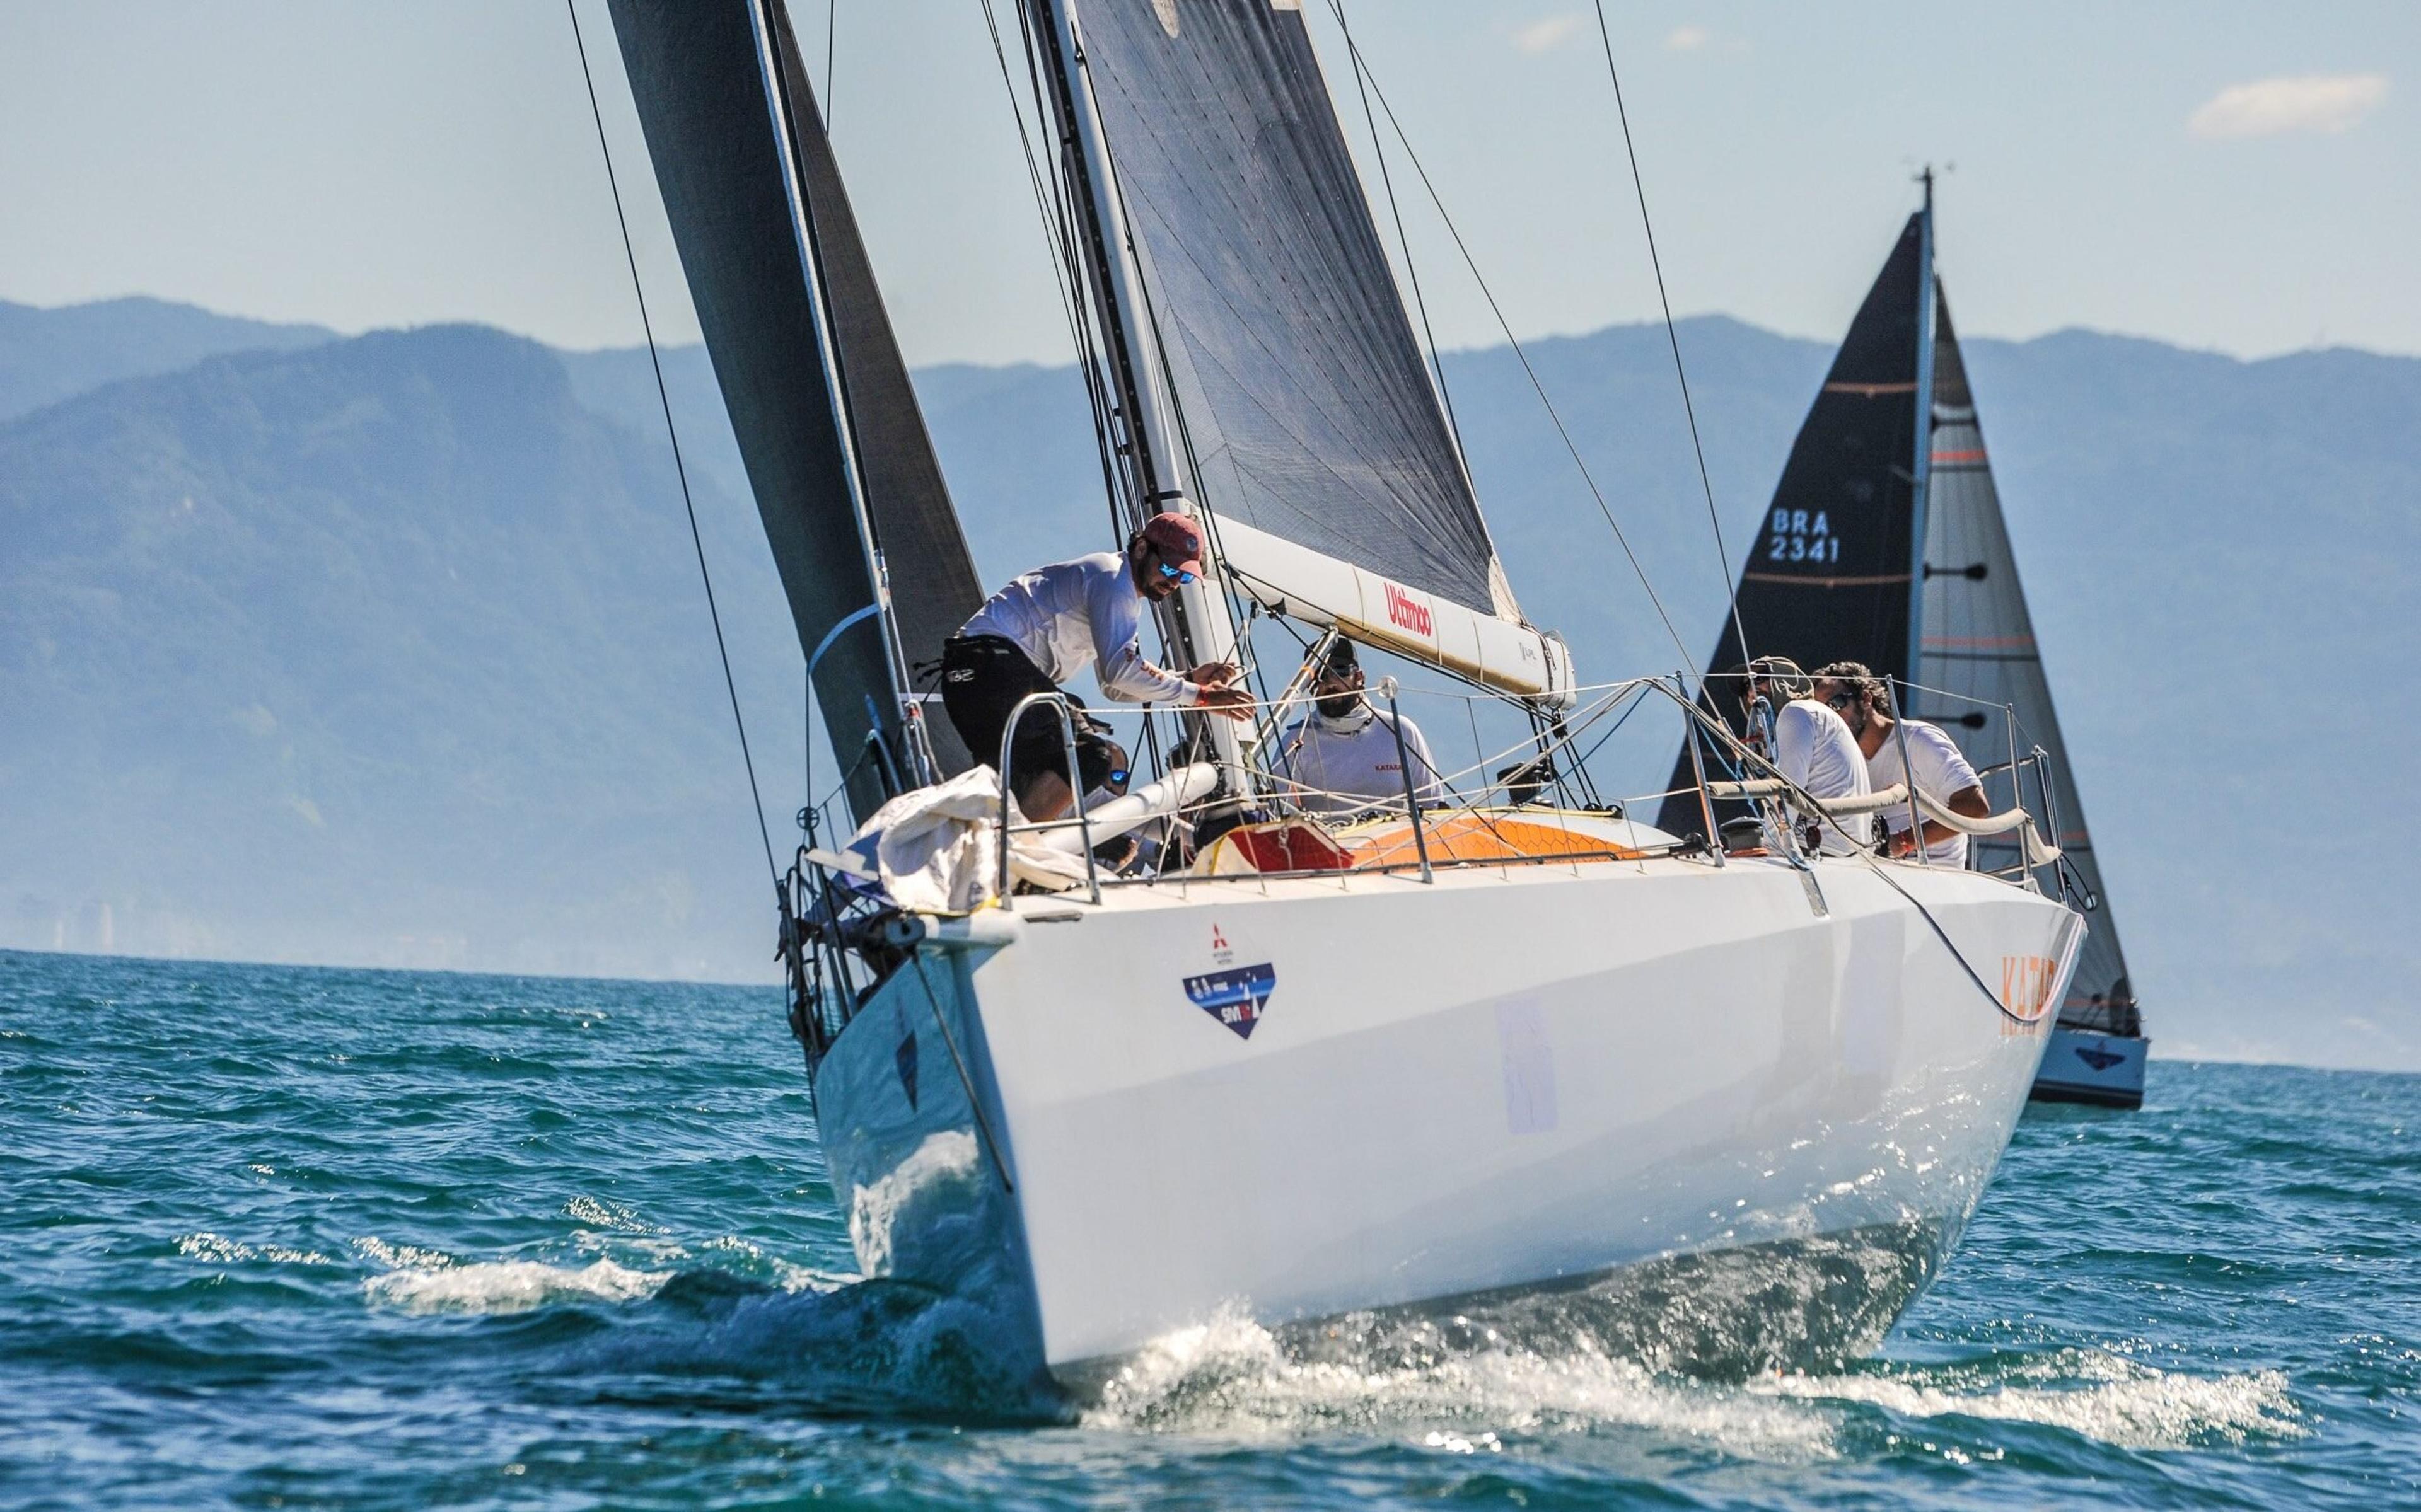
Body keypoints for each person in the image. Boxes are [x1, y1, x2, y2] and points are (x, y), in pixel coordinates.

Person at [939, 512, 1251, 820]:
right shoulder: (1113, 578)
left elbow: (1114, 686)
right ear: (1141, 548)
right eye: (1168, 568)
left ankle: (995, 849)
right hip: (993, 666)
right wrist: (1201, 696)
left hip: (973, 676)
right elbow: (1120, 670)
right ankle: (1009, 850)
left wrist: (1187, 678)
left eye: (1183, 577)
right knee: (1088, 758)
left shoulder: (1119, 594)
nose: (1172, 582)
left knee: (1019, 786)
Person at [1813, 661, 1990, 865]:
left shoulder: (1918, 741)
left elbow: (1975, 806)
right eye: (1822, 712)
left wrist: (1905, 841)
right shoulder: (1840, 758)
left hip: (1935, 874)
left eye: (1836, 704)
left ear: (1866, 699)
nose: (1831, 717)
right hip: (1877, 873)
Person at [1272, 638, 1444, 817]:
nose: (1331, 683)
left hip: (1395, 843)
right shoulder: (1296, 743)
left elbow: (1433, 810)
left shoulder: (1400, 731)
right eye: (1321, 675)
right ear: (1311, 685)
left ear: (1360, 678)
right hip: (1329, 843)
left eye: (1340, 671)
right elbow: (1281, 821)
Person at [1735, 655, 1872, 855]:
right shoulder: (1817, 715)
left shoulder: (1797, 713)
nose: (1751, 691)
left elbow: (1787, 791)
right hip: (1848, 854)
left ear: (1787, 681)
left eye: (1759, 679)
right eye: (1747, 685)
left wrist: (1768, 849)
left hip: (1820, 851)